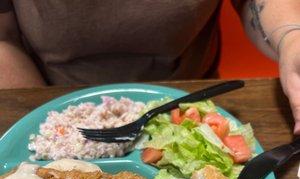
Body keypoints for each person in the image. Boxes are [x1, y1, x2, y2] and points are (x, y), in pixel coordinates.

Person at [0, 0, 299, 133]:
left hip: (190, 107)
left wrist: (291, 38)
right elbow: (4, 40)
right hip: (54, 104)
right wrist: (49, 126)